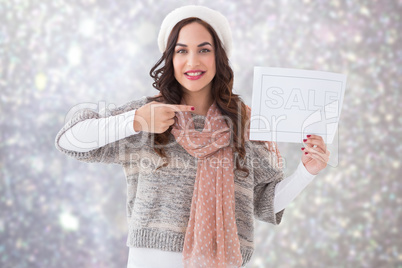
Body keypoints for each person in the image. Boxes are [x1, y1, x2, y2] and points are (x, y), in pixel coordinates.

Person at [55, 5, 330, 268]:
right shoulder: (149, 115)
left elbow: (263, 202)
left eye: (204, 50)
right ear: (170, 58)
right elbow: (70, 141)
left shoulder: (248, 124)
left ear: (219, 57)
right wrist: (135, 121)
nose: (192, 61)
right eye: (181, 50)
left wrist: (306, 172)